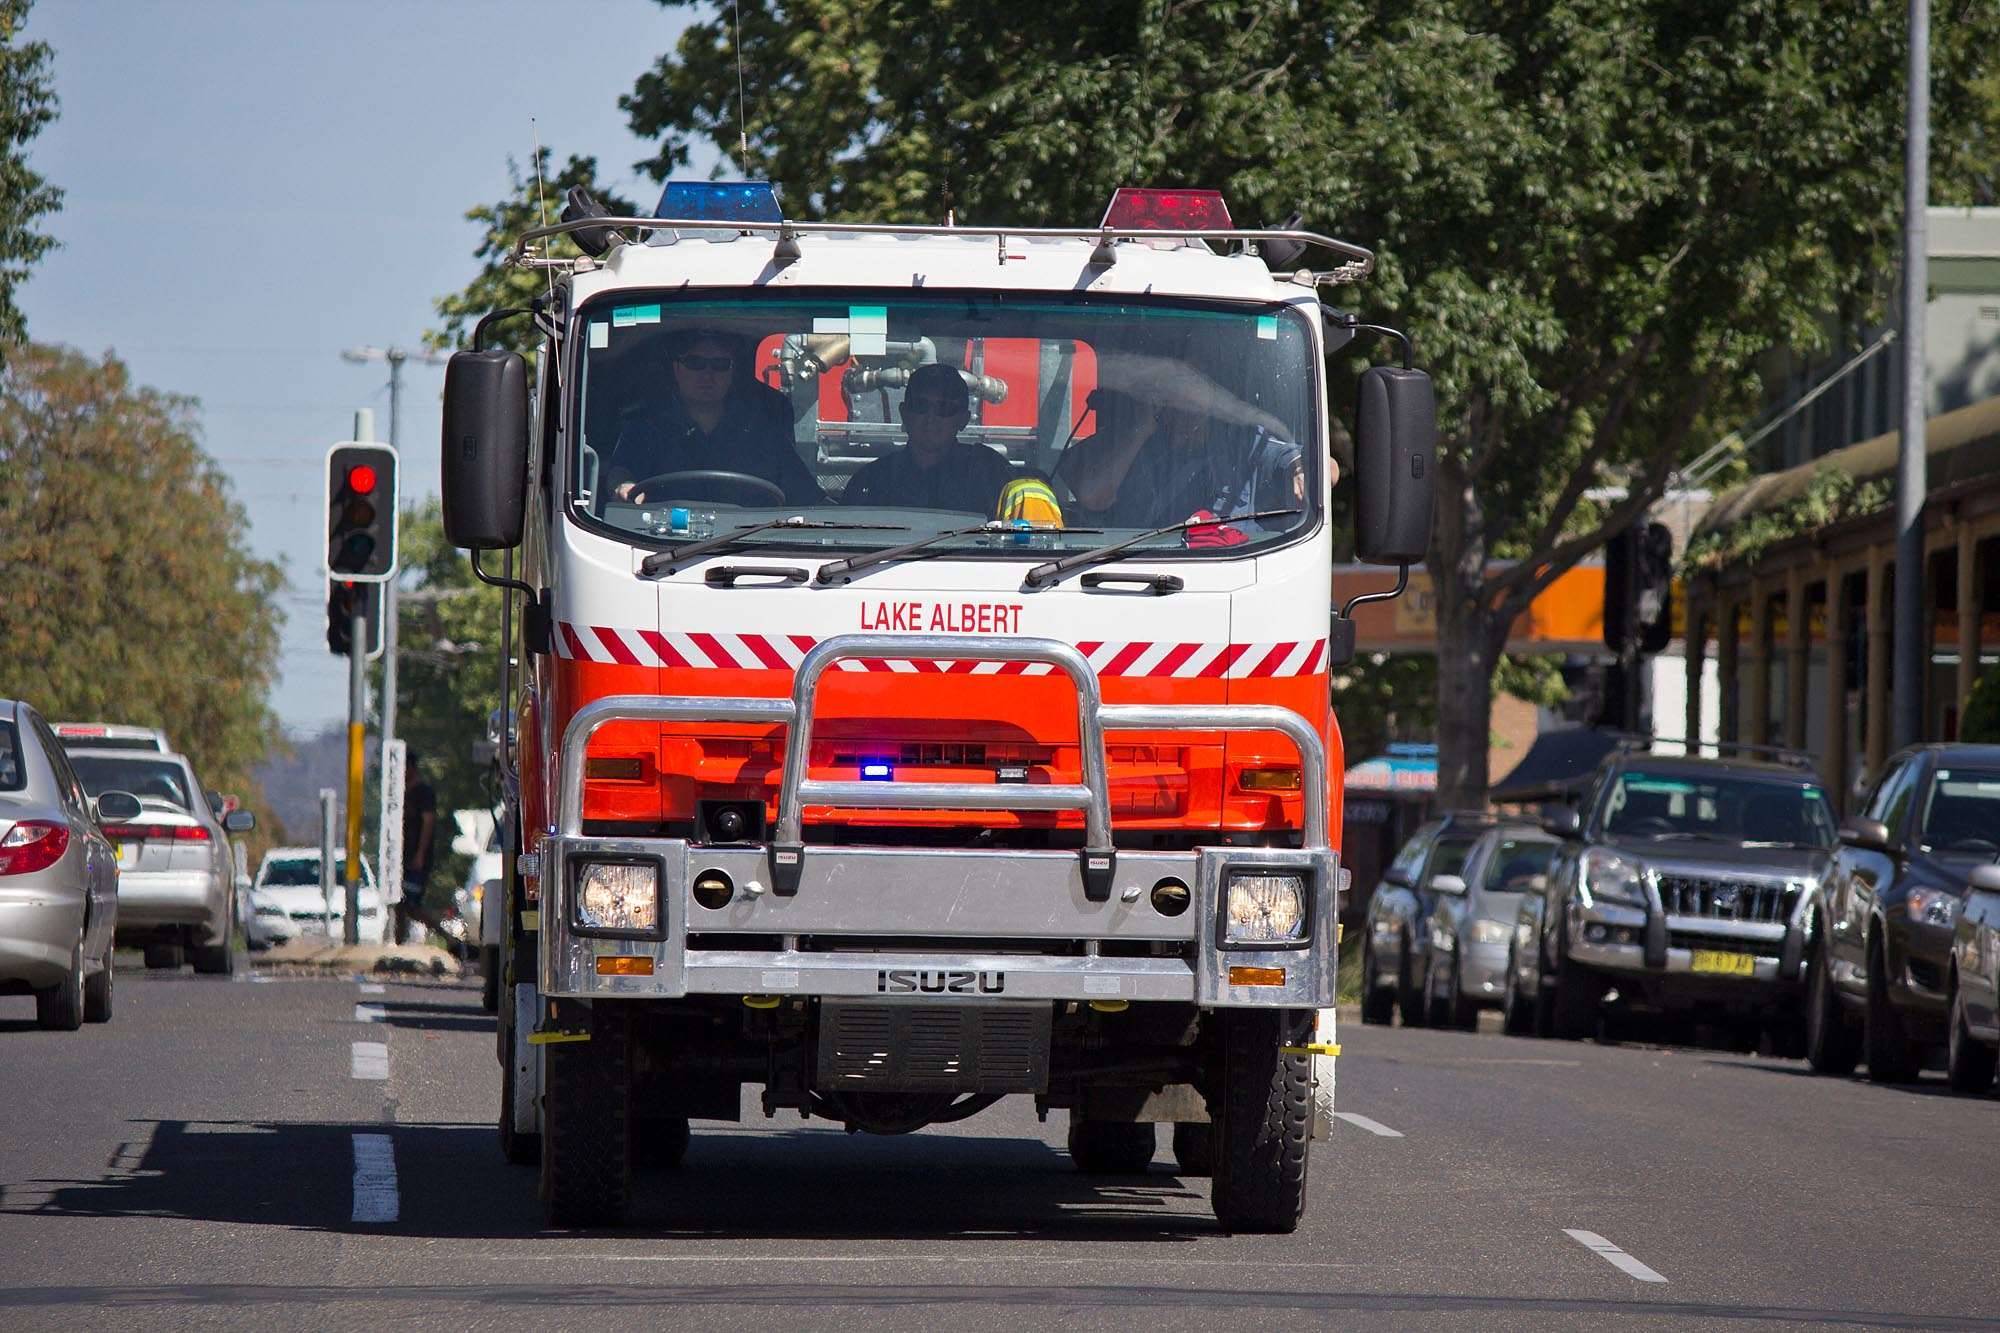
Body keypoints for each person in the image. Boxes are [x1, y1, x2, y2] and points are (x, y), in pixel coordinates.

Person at [603, 330, 822, 506]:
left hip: (750, 545)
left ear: (732, 373)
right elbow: (621, 472)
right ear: (677, 368)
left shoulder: (762, 433)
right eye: (695, 363)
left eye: (720, 365)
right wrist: (623, 486)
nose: (707, 375)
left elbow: (806, 496)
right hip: (655, 542)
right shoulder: (646, 426)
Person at [1057, 389, 1303, 529]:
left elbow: (1318, 467)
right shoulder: (1123, 442)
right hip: (1131, 566)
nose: (1185, 409)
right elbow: (1093, 497)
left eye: (1193, 393)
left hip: (1228, 569)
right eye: (1172, 393)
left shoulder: (1243, 443)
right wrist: (1140, 431)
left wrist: (1300, 470)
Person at [842, 362, 1018, 513]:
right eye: (920, 405)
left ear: (963, 420)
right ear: (904, 414)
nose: (931, 418)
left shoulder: (991, 473)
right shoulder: (873, 480)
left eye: (944, 408)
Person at [396, 759, 438, 944]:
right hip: (402, 857)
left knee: (412, 904)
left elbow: (428, 822)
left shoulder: (424, 793)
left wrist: (420, 853)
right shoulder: (401, 792)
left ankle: (449, 938)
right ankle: (398, 941)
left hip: (417, 857)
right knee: (400, 903)